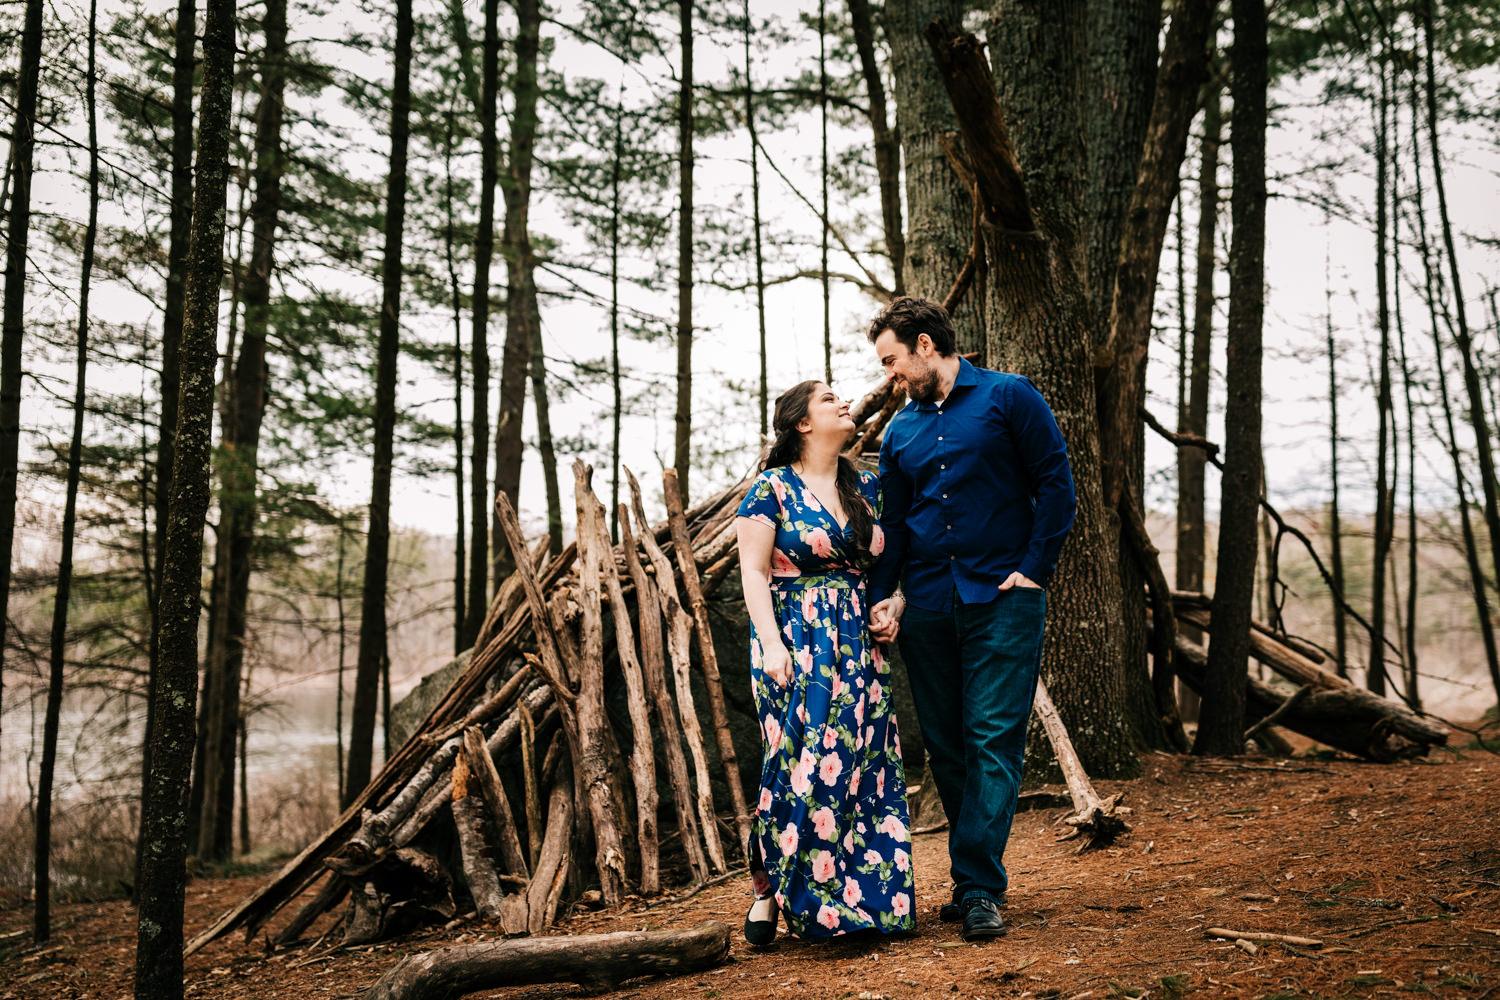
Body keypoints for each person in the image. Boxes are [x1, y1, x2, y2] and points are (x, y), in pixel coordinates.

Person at [864, 296, 1076, 942]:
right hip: (927, 605)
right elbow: (894, 527)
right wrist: (886, 593)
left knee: (992, 738)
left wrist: (1034, 568)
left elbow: (1056, 483)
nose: (890, 377)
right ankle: (973, 878)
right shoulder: (899, 433)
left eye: (893, 362)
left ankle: (978, 884)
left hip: (1004, 598)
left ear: (926, 345)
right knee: (948, 745)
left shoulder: (1010, 397)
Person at [734, 380, 916, 945]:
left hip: (859, 641)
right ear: (802, 424)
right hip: (794, 637)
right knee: (797, 763)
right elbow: (754, 573)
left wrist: (895, 605)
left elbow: (894, 566)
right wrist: (770, 644)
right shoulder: (772, 488)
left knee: (862, 764)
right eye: (828, 398)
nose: (843, 402)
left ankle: (867, 901)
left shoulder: (867, 487)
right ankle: (775, 891)